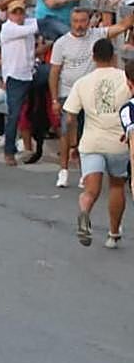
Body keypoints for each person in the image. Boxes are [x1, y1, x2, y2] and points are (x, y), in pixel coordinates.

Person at [48, 7, 134, 187]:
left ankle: (85, 173)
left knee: (85, 131)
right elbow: (54, 72)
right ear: (71, 22)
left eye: (82, 21)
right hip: (68, 91)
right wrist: (55, 99)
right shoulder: (62, 43)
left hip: (90, 92)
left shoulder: (97, 34)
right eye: (76, 21)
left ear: (89, 22)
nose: (79, 25)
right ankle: (63, 171)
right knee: (65, 130)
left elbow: (123, 26)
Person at [66, 38, 130, 247]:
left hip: (91, 141)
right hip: (118, 141)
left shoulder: (82, 83)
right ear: (113, 56)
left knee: (91, 190)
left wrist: (73, 144)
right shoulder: (124, 77)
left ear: (93, 57)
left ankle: (84, 212)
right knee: (116, 186)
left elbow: (70, 117)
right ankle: (113, 233)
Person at [0, 0, 39, 166]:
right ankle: (9, 151)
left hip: (30, 72)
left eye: (21, 12)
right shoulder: (8, 28)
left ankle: (34, 146)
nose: (18, 16)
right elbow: (33, 27)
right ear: (9, 14)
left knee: (35, 110)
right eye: (15, 13)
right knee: (14, 114)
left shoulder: (27, 24)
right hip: (15, 76)